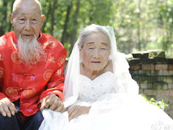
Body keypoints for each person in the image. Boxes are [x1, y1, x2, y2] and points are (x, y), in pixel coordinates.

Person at [39, 24, 173, 130]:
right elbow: (68, 96)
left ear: (110, 50)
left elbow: (127, 99)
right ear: (80, 48)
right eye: (91, 48)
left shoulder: (117, 66)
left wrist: (91, 110)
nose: (96, 55)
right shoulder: (74, 68)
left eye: (103, 48)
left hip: (111, 112)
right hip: (78, 114)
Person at [0, 0, 67, 130]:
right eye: (22, 20)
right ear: (12, 19)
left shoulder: (56, 49)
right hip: (5, 113)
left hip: (37, 111)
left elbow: (57, 85)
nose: (27, 27)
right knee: (3, 118)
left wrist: (53, 96)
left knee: (47, 118)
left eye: (34, 20)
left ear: (42, 21)